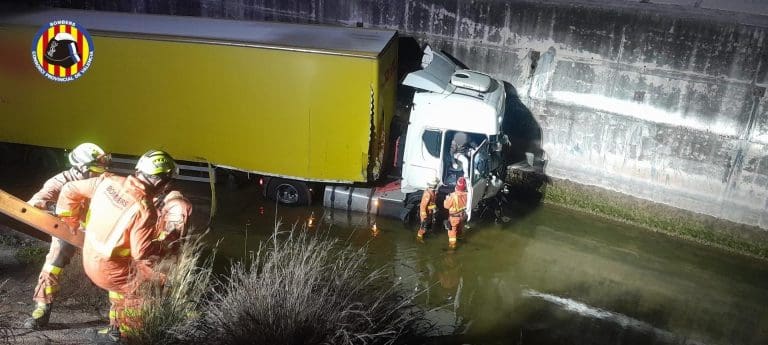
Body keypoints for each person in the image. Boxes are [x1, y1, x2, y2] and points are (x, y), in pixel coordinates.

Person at [55, 149, 177, 343]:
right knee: (139, 292)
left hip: (90, 257)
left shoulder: (108, 181)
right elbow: (142, 254)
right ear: (159, 181)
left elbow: (70, 189)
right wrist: (164, 259)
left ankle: (115, 330)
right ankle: (128, 337)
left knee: (121, 284)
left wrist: (70, 221)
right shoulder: (145, 210)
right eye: (167, 180)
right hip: (109, 269)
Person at [23, 143, 110, 330]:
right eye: (94, 171)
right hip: (68, 230)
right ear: (80, 167)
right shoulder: (59, 182)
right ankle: (42, 308)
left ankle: (120, 319)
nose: (98, 175)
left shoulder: (103, 181)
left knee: (117, 265)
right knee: (54, 262)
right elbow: (34, 204)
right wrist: (55, 210)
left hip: (97, 230)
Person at [443, 176, 468, 248]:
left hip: (454, 218)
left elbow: (446, 206)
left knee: (452, 232)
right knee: (459, 229)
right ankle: (460, 239)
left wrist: (446, 199)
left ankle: (452, 247)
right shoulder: (467, 195)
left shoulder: (453, 196)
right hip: (462, 216)